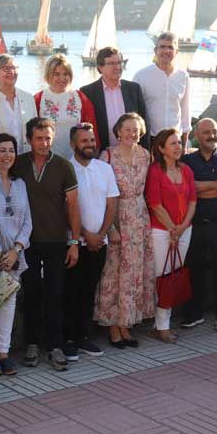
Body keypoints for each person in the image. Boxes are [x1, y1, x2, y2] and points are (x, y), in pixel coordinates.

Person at [13, 118, 81, 371]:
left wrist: (74, 242)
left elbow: (73, 206)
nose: (44, 143)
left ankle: (55, 346)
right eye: (39, 138)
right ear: (29, 139)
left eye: (48, 138)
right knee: (31, 294)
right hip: (26, 242)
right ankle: (32, 344)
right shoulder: (18, 164)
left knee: (55, 294)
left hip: (56, 241)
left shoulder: (63, 166)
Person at [95, 113, 155, 346]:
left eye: (136, 130)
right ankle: (112, 325)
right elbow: (101, 193)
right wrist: (109, 227)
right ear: (118, 131)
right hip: (116, 217)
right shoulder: (108, 156)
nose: (132, 134)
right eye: (127, 129)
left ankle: (126, 323)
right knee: (113, 274)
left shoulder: (145, 155)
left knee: (134, 274)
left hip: (139, 219)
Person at [63, 123, 117, 360]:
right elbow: (65, 209)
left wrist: (101, 234)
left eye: (92, 140)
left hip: (99, 243)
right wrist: (85, 234)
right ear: (73, 144)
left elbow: (112, 204)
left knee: (88, 291)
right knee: (70, 292)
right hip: (74, 244)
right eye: (84, 141)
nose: (90, 145)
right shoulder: (65, 168)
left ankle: (83, 337)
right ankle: (67, 340)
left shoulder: (105, 169)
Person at [180, 118, 217, 332]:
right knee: (194, 271)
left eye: (214, 131)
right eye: (206, 132)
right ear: (197, 134)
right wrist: (214, 185)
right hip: (195, 225)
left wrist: (199, 190)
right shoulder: (187, 160)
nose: (211, 135)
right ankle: (194, 314)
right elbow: (186, 189)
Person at [0, 133, 32, 376]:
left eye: (11, 150)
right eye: (2, 150)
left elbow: (28, 221)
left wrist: (16, 250)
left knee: (9, 301)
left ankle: (4, 352)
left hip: (15, 254)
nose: (7, 155)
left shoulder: (20, 184)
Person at [146, 128, 197, 342]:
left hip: (184, 230)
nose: (178, 147)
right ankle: (162, 325)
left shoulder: (187, 170)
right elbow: (155, 204)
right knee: (163, 275)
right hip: (161, 231)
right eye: (173, 143)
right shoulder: (155, 171)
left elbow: (193, 201)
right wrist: (171, 229)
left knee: (174, 274)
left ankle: (163, 322)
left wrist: (182, 227)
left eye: (179, 143)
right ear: (161, 148)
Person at [80, 47, 149, 153]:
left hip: (132, 153)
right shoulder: (88, 92)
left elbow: (144, 121)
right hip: (101, 153)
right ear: (100, 67)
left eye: (119, 62)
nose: (117, 67)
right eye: (111, 63)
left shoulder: (134, 89)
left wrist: (145, 150)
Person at [33, 54, 97, 158]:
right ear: (48, 75)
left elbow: (92, 129)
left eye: (65, 74)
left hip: (76, 158)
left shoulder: (80, 97)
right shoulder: (38, 99)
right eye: (56, 74)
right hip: (48, 158)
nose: (62, 78)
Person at [133, 33, 191, 147]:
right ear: (155, 50)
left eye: (170, 47)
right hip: (149, 138)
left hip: (175, 139)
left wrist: (184, 145)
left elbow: (186, 112)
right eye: (162, 47)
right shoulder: (141, 76)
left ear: (176, 52)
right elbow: (134, 112)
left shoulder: (183, 76)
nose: (166, 51)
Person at [0, 54, 37, 153]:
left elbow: (35, 129)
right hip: (1, 159)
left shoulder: (28, 98)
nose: (11, 72)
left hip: (26, 156)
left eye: (14, 68)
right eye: (6, 68)